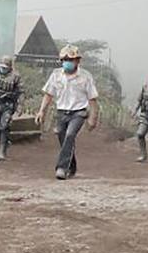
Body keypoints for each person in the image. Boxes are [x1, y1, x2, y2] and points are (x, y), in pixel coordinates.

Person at [35, 44, 100, 180]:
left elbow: (93, 99)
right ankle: (72, 166)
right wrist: (42, 111)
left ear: (77, 61)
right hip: (61, 112)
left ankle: (61, 168)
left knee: (70, 136)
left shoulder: (85, 77)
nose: (67, 63)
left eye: (70, 60)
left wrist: (93, 118)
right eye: (64, 60)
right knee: (62, 137)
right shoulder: (56, 75)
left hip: (78, 112)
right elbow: (48, 95)